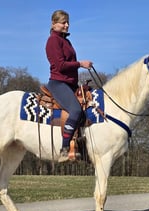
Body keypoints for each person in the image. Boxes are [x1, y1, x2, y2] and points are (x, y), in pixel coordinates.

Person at [45, 10, 93, 163]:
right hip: (58, 83)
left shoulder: (66, 41)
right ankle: (65, 148)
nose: (67, 25)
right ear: (54, 24)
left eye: (67, 22)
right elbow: (60, 65)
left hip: (70, 83)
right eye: (63, 22)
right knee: (75, 110)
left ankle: (80, 146)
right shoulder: (53, 40)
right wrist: (80, 64)